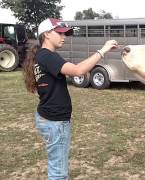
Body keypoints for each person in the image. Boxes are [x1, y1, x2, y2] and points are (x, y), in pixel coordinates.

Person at [23, 18, 118, 179]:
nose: (64, 37)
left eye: (65, 34)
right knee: (58, 173)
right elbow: (78, 70)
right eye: (59, 33)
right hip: (55, 121)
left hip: (49, 118)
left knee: (56, 165)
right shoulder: (47, 56)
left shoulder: (42, 56)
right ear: (46, 34)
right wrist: (103, 50)